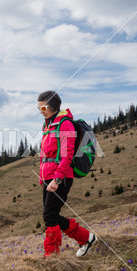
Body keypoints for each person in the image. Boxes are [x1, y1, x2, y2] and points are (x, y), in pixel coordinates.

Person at [37, 90, 96, 258]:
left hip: (60, 176)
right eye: (39, 108)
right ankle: (86, 238)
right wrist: (43, 177)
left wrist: (57, 179)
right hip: (48, 176)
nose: (41, 112)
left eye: (44, 108)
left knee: (49, 216)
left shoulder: (65, 124)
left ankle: (52, 256)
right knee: (51, 216)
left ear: (54, 106)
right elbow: (44, 153)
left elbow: (67, 155)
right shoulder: (47, 124)